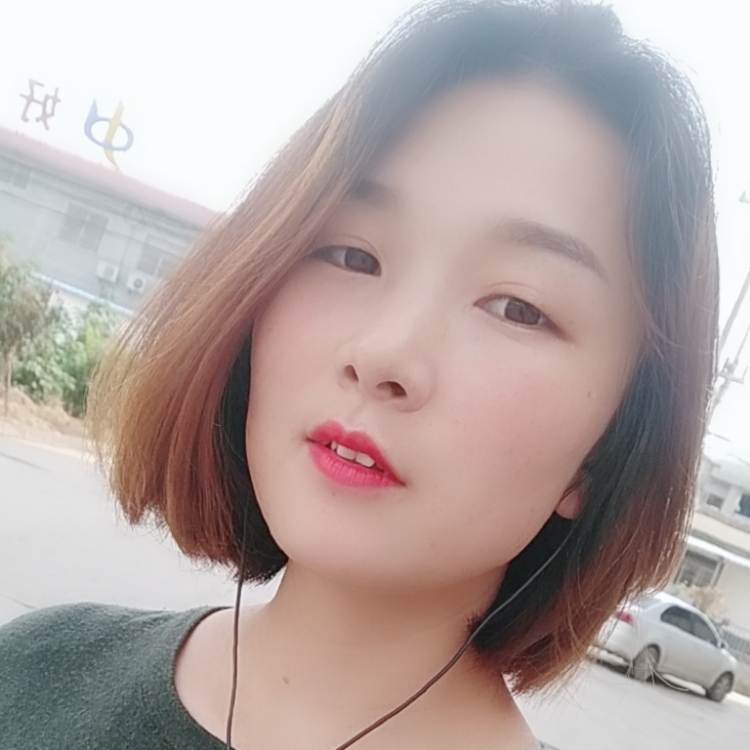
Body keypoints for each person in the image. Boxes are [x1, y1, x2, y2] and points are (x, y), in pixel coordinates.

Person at [0, 1, 718, 749]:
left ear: (609, 446)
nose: (383, 354)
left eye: (517, 307)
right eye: (351, 255)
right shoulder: (31, 681)